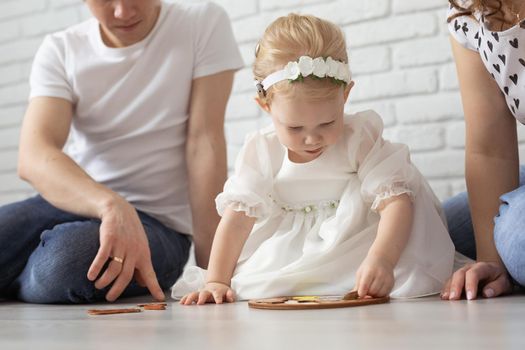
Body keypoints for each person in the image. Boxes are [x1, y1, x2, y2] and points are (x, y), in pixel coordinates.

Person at [171, 13, 456, 305]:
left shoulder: (358, 137)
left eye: (327, 123)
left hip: (357, 243)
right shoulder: (263, 149)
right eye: (295, 128)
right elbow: (237, 221)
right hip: (292, 251)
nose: (312, 139)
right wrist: (217, 279)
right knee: (260, 284)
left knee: (399, 269)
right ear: (265, 106)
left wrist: (382, 259)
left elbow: (396, 202)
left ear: (345, 96)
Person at [0, 0, 243, 303]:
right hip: (82, 200)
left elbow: (203, 142)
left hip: (158, 226)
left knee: (62, 264)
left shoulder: (201, 23)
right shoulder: (61, 48)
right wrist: (111, 204)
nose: (122, 13)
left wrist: (212, 273)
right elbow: (34, 155)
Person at [442, 0, 525, 301]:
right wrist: (491, 263)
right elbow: (490, 147)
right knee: (432, 232)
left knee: (517, 238)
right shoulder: (468, 10)